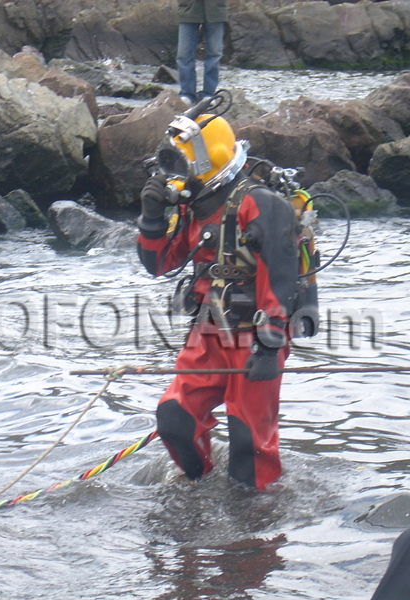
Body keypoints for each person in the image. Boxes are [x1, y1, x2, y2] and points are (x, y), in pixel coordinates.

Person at [136, 96, 303, 490]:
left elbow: (280, 279)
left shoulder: (261, 204)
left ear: (204, 161)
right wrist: (152, 218)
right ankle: (197, 489)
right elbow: (159, 263)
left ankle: (256, 524)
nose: (173, 176)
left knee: (248, 442)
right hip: (209, 331)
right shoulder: (194, 209)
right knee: (175, 418)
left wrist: (270, 341)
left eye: (179, 165)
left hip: (256, 333)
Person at [177, 0, 228, 105]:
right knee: (184, 54)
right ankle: (187, 94)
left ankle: (209, 94)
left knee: (214, 54)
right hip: (188, 9)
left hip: (216, 10)